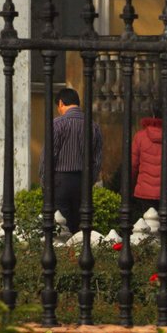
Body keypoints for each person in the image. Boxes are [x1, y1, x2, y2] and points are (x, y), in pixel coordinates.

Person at [50, 86, 104, 235]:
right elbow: (97, 159)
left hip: (60, 179)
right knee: (80, 225)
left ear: (61, 103)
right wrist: (90, 180)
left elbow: (48, 156)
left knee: (61, 225)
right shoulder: (93, 126)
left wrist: (46, 180)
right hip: (83, 180)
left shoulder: (57, 124)